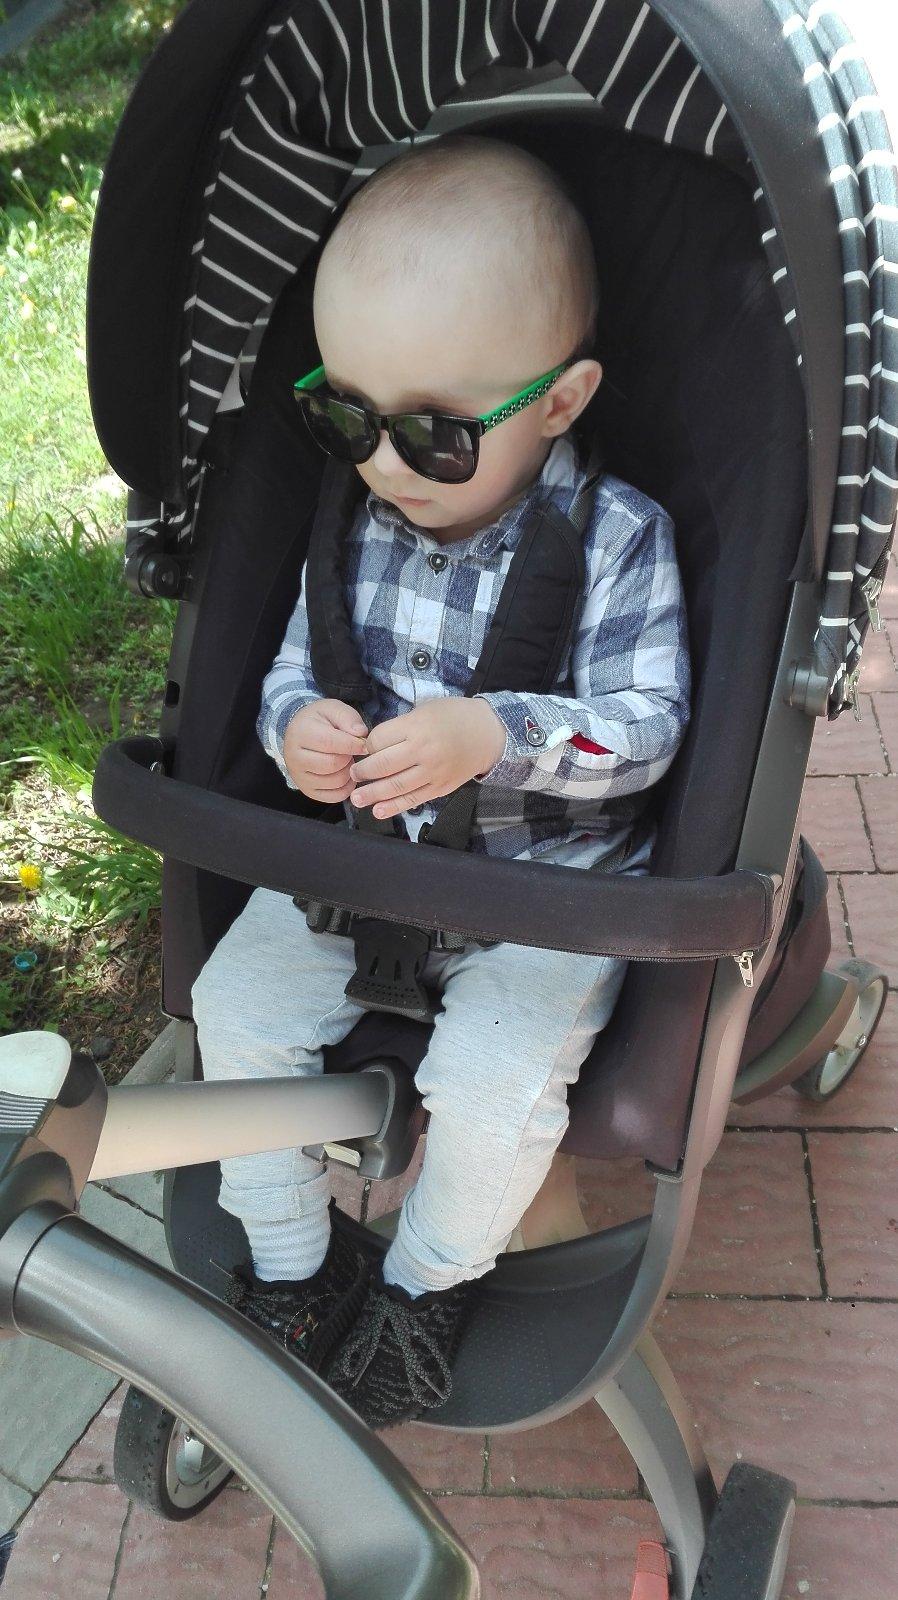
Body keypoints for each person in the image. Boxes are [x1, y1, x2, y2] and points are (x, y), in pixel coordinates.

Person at [191, 133, 691, 1430]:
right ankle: (290, 1265)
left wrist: (496, 734)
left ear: (559, 404)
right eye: (345, 415)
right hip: (360, 865)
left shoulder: (618, 540)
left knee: (492, 1084)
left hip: (542, 893)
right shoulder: (356, 523)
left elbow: (648, 729)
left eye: (434, 433)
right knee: (230, 1004)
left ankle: (425, 1284)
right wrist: (300, 727)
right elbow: (295, 667)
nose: (384, 463)